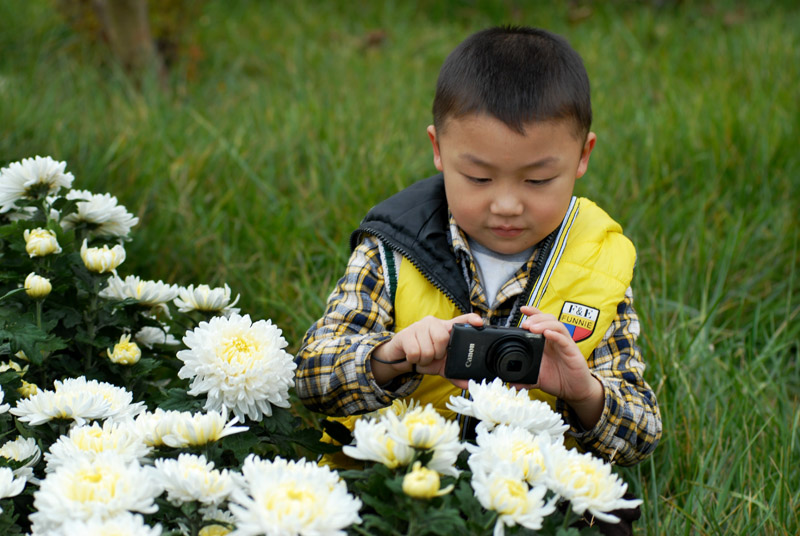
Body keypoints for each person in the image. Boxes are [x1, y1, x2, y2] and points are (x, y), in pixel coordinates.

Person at [294, 26, 661, 479]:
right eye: (480, 178)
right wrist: (390, 356)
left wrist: (583, 393)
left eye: (538, 181)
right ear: (439, 150)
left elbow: (641, 433)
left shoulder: (597, 267)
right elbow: (311, 376)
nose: (506, 205)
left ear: (583, 156)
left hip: (531, 486)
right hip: (396, 480)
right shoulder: (391, 249)